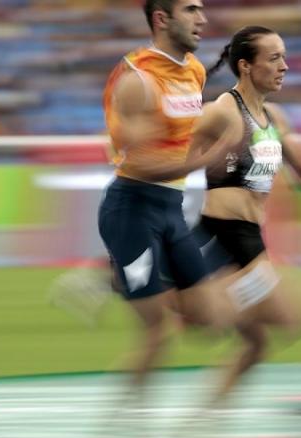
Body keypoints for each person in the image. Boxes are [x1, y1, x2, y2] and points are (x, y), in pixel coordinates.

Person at [187, 25, 301, 411]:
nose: (284, 66)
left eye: (284, 57)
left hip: (251, 236)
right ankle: (198, 304)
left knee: (257, 343)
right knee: (292, 312)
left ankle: (204, 420)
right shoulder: (222, 110)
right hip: (221, 232)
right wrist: (208, 157)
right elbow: (173, 152)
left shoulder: (275, 118)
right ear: (246, 66)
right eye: (274, 59)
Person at [98, 0, 235, 416]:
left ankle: (120, 278)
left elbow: (183, 134)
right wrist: (204, 159)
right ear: (162, 19)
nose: (203, 19)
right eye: (191, 10)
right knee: (158, 332)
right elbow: (137, 162)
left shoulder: (193, 70)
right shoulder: (135, 80)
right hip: (132, 211)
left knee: (210, 320)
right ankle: (117, 429)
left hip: (170, 208)